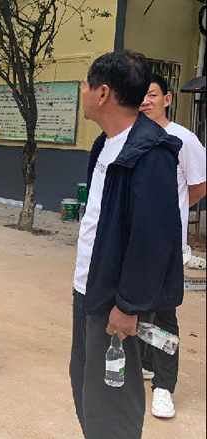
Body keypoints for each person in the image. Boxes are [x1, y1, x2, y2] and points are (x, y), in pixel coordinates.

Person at [69, 51, 184, 439]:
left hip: (114, 300)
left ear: (103, 93)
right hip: (89, 288)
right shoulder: (106, 144)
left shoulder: (151, 153)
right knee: (86, 385)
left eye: (86, 85)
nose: (82, 92)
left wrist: (128, 306)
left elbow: (152, 240)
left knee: (112, 401)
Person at [138, 73, 207, 418]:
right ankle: (146, 363)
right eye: (141, 95)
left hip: (166, 247)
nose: (145, 101)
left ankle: (164, 387)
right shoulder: (130, 137)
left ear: (167, 99)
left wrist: (173, 213)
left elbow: (198, 186)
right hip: (134, 246)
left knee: (164, 314)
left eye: (152, 95)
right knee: (136, 307)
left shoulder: (183, 139)